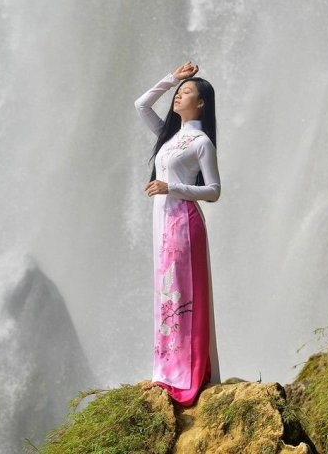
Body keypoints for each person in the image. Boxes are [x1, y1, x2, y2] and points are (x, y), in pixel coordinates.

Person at [135, 61, 221, 407]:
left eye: (186, 93)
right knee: (166, 295)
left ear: (200, 104)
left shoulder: (200, 142)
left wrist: (172, 186)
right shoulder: (169, 138)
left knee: (183, 297)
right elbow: (141, 104)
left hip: (185, 223)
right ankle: (165, 372)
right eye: (179, 92)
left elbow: (214, 190)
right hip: (164, 225)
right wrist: (173, 77)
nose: (178, 96)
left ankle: (187, 375)